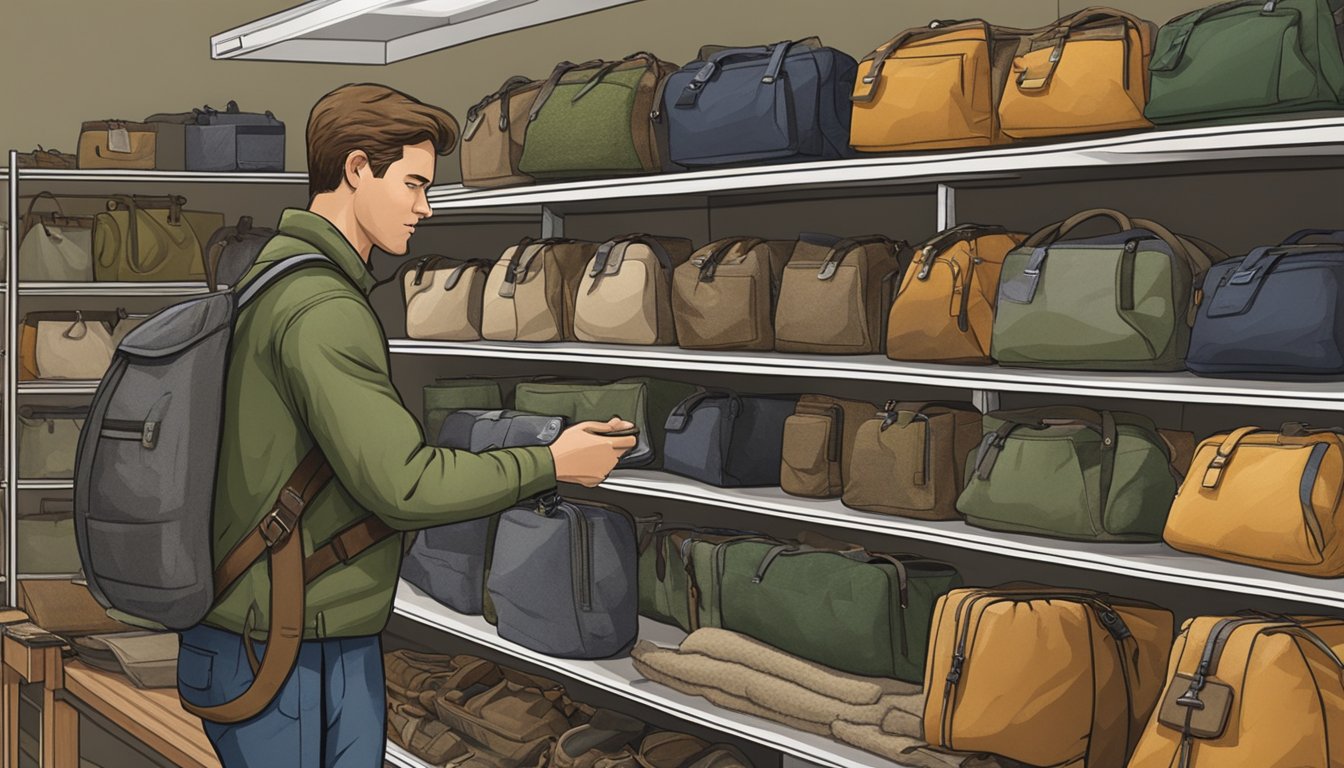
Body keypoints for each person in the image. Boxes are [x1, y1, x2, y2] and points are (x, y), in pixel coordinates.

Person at [174, 82, 636, 767]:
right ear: (357, 169)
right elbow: (403, 484)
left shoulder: (270, 278)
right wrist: (552, 462)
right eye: (415, 184)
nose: (425, 207)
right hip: (290, 650)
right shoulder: (320, 308)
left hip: (280, 627)